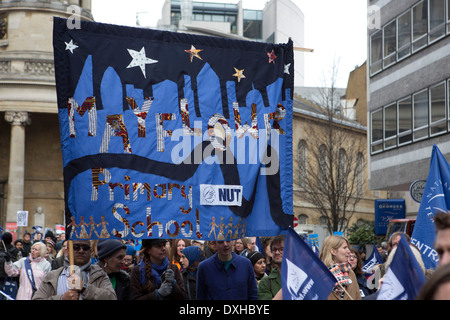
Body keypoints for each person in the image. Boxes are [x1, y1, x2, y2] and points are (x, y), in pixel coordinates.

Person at [32, 240, 117, 300]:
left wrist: (85, 288)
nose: (81, 251)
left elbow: (112, 297)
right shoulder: (52, 276)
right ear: (67, 251)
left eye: (85, 247)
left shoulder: (99, 275)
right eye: (76, 247)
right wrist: (62, 298)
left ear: (90, 251)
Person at [320, 235, 361, 300]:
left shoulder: (350, 273)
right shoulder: (320, 274)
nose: (349, 251)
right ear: (333, 251)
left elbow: (358, 297)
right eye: (344, 248)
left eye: (348, 248)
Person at [258, 235, 284, 300]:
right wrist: (287, 287)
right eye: (274, 249)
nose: (277, 252)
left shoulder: (301, 276)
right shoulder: (265, 282)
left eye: (281, 249)